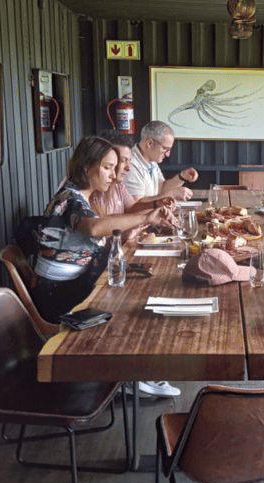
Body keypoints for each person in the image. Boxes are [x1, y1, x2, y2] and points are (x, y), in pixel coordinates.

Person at [31, 135, 174, 325]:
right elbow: (94, 228)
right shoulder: (70, 197)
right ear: (86, 166)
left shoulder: (81, 196)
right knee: (132, 308)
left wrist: (128, 232)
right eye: (107, 168)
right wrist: (146, 218)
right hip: (57, 293)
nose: (114, 175)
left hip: (74, 282)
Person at [89, 131, 181, 398]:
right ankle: (130, 373)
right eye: (115, 164)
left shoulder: (114, 185)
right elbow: (102, 231)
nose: (125, 169)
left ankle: (142, 368)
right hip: (89, 276)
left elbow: (131, 211)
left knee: (160, 288)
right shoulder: (84, 195)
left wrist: (154, 209)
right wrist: (144, 220)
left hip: (103, 266)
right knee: (143, 299)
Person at [90, 130, 174, 242]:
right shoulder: (91, 188)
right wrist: (146, 218)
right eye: (123, 161)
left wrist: (155, 205)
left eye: (129, 161)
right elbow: (96, 229)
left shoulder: (117, 184)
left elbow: (132, 208)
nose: (128, 168)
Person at [124, 120, 198, 204]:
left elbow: (161, 189)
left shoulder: (151, 160)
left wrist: (182, 176)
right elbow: (136, 205)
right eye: (165, 148)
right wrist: (171, 194)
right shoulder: (131, 165)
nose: (168, 154)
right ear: (150, 143)